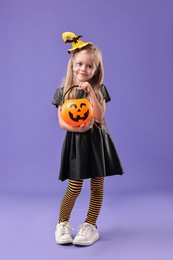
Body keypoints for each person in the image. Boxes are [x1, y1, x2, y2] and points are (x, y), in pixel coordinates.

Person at [52, 32, 124, 246]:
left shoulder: (99, 89)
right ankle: (62, 223)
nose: (83, 69)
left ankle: (90, 225)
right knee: (75, 186)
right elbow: (62, 123)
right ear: (72, 64)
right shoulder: (63, 92)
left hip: (98, 142)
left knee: (97, 186)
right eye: (79, 64)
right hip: (77, 142)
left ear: (96, 70)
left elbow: (100, 117)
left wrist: (92, 93)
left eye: (89, 66)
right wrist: (80, 130)